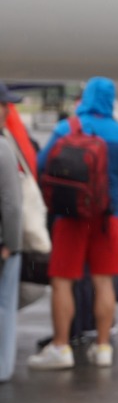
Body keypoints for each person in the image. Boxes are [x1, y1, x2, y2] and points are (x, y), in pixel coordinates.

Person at [28, 77, 118, 370]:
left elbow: (41, 166)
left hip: (69, 217)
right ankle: (103, 348)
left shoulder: (66, 128)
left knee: (63, 281)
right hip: (107, 219)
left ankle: (60, 348)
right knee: (104, 282)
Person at [0, 127, 21, 382]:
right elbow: (12, 204)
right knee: (4, 305)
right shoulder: (3, 148)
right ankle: (2, 368)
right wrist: (13, 244)